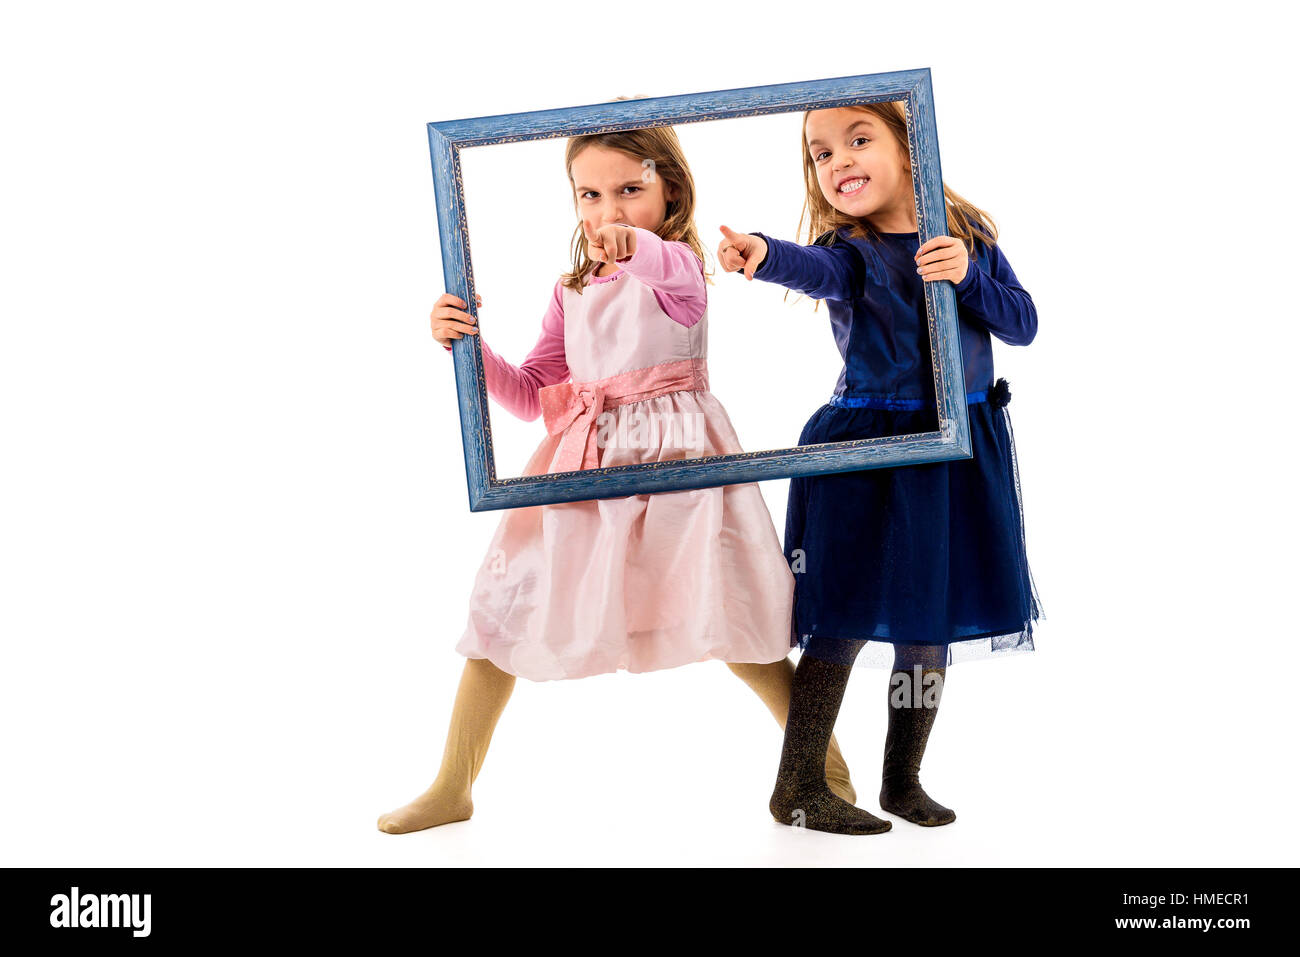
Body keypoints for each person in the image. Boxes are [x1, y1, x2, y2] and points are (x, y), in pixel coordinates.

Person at [378, 125, 855, 834]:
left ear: (670, 191)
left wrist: (638, 248)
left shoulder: (683, 268)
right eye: (591, 195)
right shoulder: (570, 291)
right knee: (502, 612)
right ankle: (453, 784)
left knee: (729, 619)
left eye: (630, 191)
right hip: (585, 470)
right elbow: (529, 391)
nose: (609, 211)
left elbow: (665, 273)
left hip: (674, 467)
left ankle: (826, 770)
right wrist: (469, 346)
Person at [718, 101, 1043, 835]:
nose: (837, 162)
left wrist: (969, 276)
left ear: (909, 147)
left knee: (925, 623)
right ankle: (798, 783)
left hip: (955, 450)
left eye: (857, 140)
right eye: (821, 153)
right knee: (843, 615)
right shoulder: (852, 251)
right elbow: (813, 269)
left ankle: (903, 777)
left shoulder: (970, 239)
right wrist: (765, 254)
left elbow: (1021, 323)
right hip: (867, 450)